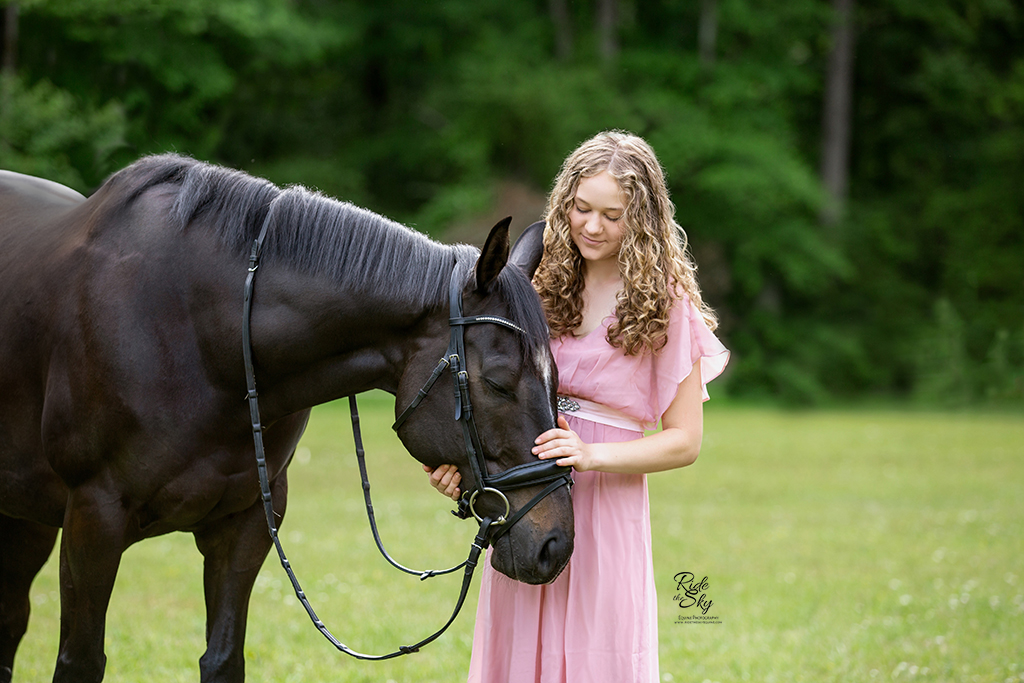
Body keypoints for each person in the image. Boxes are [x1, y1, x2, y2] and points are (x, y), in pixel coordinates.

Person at [424, 130, 729, 682]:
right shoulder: (536, 286)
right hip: (528, 489)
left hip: (606, 505)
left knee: (597, 656)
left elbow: (685, 441)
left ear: (641, 220)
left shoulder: (664, 305)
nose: (591, 226)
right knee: (516, 652)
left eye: (612, 216)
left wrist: (590, 456)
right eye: (581, 208)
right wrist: (463, 474)